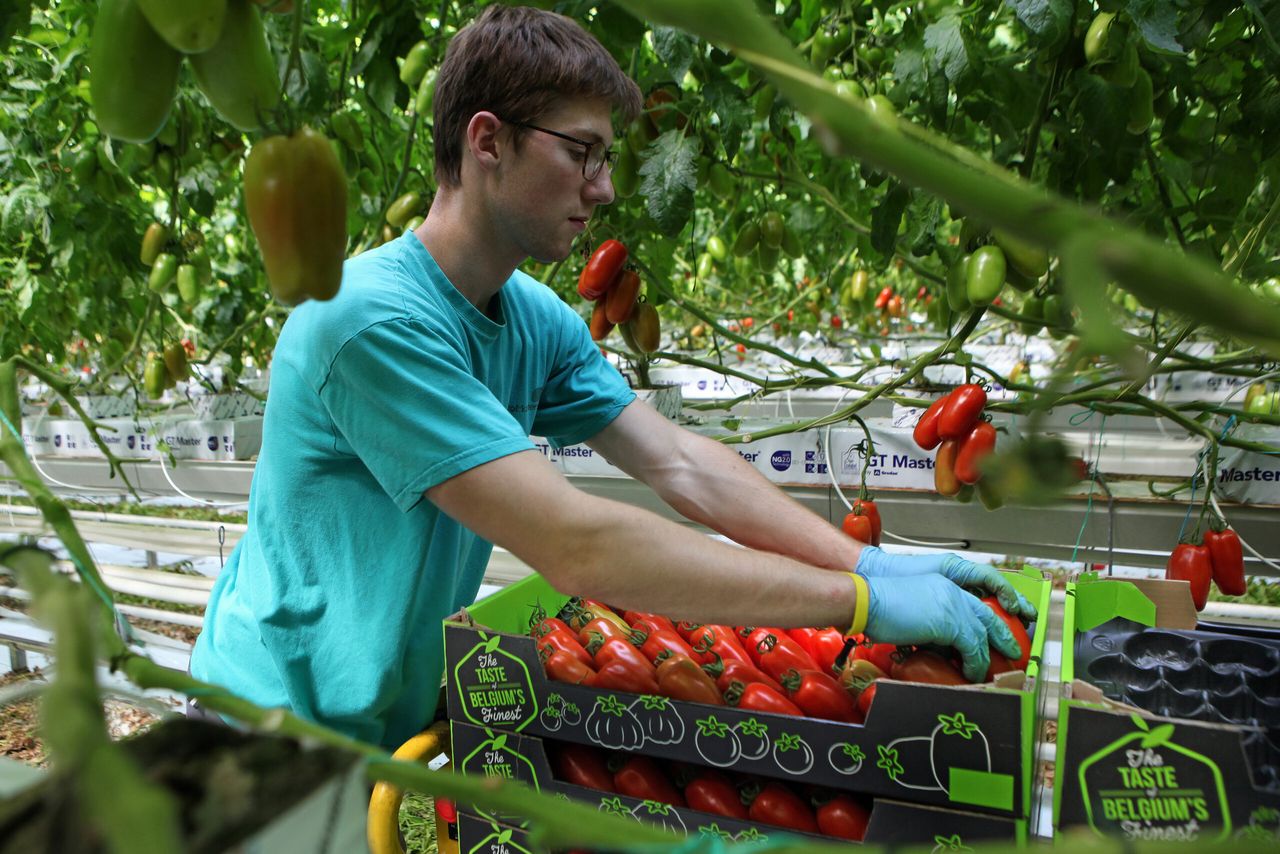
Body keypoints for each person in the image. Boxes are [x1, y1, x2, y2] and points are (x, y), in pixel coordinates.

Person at [190, 5, 1034, 750]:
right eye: (583, 153)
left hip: (386, 726)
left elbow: (679, 463)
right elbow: (575, 543)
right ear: (487, 140)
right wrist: (852, 604)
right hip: (263, 730)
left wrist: (867, 566)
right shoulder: (368, 322)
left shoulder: (533, 318)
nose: (605, 188)